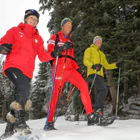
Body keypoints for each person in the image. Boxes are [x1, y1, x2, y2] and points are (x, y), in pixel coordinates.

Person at [0, 9, 52, 139]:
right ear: (26, 19)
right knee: (24, 88)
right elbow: (3, 41)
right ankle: (20, 123)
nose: (33, 21)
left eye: (36, 19)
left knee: (21, 96)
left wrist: (53, 54)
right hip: (12, 66)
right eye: (31, 18)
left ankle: (9, 129)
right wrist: (2, 46)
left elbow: (42, 56)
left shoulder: (38, 38)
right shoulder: (15, 31)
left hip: (27, 72)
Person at [43, 18, 96, 130]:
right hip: (59, 68)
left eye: (70, 25)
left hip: (70, 70)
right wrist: (61, 48)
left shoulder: (71, 42)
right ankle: (49, 122)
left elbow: (71, 58)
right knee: (55, 94)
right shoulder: (55, 37)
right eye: (67, 25)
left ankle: (90, 114)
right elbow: (50, 51)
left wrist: (77, 69)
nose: (69, 27)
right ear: (62, 26)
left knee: (84, 86)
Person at [83, 36, 123, 118]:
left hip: (100, 74)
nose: (99, 42)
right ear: (94, 42)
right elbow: (85, 61)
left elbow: (107, 65)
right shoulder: (89, 50)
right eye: (97, 41)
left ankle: (97, 115)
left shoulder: (102, 54)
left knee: (99, 92)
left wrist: (116, 65)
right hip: (93, 73)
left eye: (100, 41)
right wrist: (93, 66)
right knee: (104, 89)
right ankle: (98, 110)